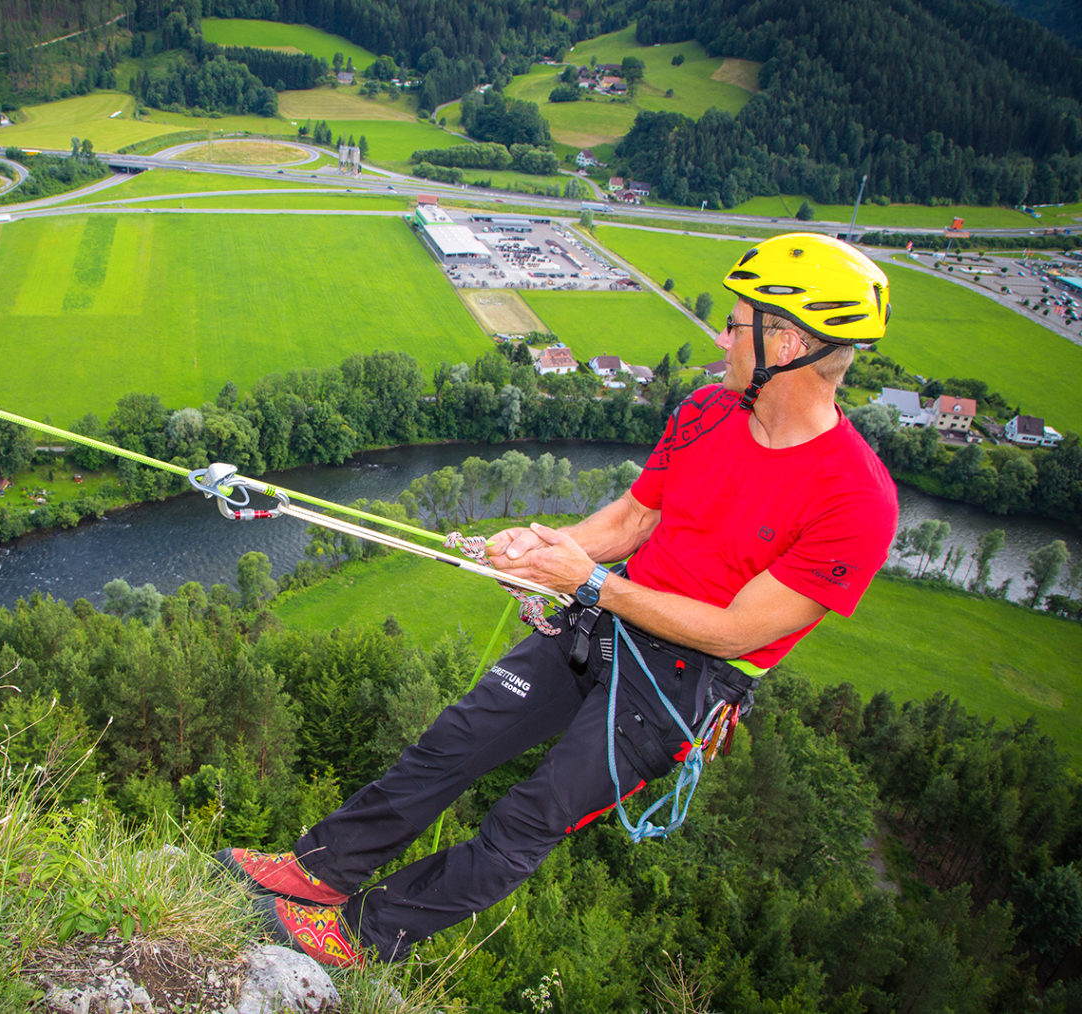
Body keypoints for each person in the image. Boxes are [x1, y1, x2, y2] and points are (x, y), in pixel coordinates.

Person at [220, 233, 900, 967]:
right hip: (606, 618)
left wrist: (588, 582)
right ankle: (321, 870)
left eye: (736, 324)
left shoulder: (856, 499)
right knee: (454, 740)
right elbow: (635, 518)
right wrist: (547, 550)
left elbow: (735, 633)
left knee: (530, 817)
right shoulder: (708, 410)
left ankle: (361, 934)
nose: (722, 336)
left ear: (787, 342)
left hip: (679, 681)